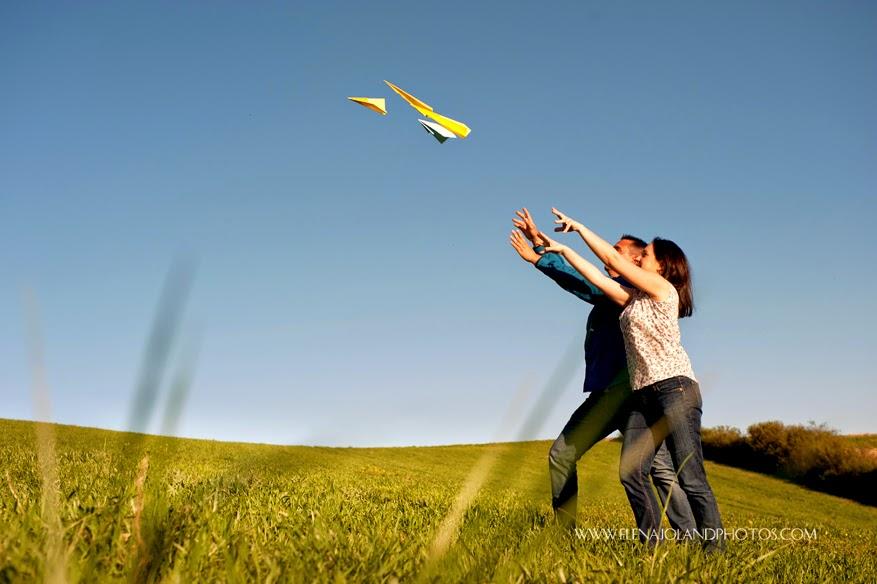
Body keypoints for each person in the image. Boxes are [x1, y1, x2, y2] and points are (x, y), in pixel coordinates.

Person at [540, 207, 724, 550]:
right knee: (631, 472)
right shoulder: (632, 300)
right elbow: (598, 277)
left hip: (676, 389)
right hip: (643, 395)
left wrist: (578, 226)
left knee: (690, 476)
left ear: (662, 266)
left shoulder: (661, 288)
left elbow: (612, 258)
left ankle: (714, 550)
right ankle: (651, 547)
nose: (641, 259)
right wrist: (563, 250)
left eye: (647, 255)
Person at [509, 208, 695, 534]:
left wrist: (542, 255)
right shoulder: (624, 289)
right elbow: (588, 277)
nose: (610, 252)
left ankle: (685, 538)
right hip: (620, 390)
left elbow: (586, 283)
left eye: (619, 250)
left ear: (638, 261)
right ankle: (677, 538)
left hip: (625, 391)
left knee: (655, 469)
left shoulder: (629, 291)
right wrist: (541, 243)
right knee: (659, 469)